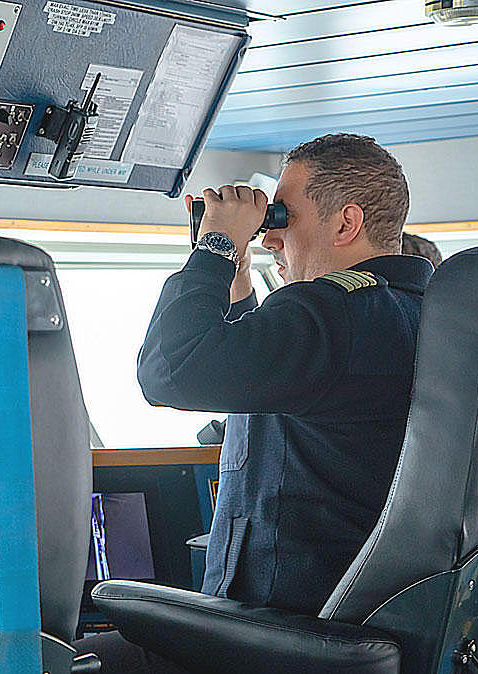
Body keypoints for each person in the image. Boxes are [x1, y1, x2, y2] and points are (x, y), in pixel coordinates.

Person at [76, 134, 433, 672]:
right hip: (363, 630)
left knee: (67, 658)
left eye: (282, 219)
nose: (270, 241)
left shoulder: (333, 313)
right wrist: (237, 282)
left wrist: (216, 247)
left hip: (279, 636)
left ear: (346, 224)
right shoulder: (419, 314)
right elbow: (271, 379)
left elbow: (169, 374)